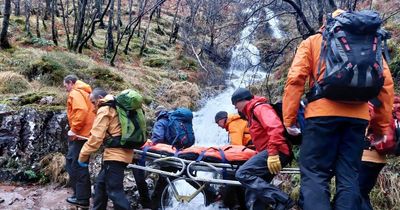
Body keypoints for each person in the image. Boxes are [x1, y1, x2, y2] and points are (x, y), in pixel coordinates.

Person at [282, 9, 394, 210]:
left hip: (321, 116)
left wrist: (289, 119)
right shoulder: (370, 43)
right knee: (349, 177)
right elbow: (386, 86)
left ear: (327, 22)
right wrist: (380, 128)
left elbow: (295, 80)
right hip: (358, 119)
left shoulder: (314, 41)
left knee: (315, 175)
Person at [232, 88, 294, 210]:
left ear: (242, 100)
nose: (235, 108)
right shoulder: (251, 113)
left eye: (235, 104)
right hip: (272, 152)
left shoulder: (259, 108)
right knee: (253, 193)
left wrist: (273, 153)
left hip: (278, 151)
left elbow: (275, 128)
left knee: (242, 173)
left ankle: (285, 203)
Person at [78, 88, 133, 210]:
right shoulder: (117, 106)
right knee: (101, 186)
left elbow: (96, 138)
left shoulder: (105, 109)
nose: (93, 106)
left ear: (99, 99)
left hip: (115, 155)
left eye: (93, 102)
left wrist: (82, 156)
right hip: (120, 153)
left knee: (114, 191)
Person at [64, 75, 95, 208]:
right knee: (79, 164)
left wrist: (74, 129)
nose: (66, 89)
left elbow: (81, 110)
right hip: (87, 134)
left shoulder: (76, 92)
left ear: (71, 83)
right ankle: (81, 196)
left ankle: (81, 198)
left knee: (74, 164)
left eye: (65, 85)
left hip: (80, 135)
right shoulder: (86, 92)